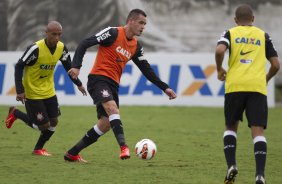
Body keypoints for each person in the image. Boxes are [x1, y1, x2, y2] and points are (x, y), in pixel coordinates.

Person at [64, 9, 177, 162]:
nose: (143, 27)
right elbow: (85, 43)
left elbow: (146, 69)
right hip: (98, 79)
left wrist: (165, 87)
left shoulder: (136, 47)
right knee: (112, 109)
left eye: (145, 24)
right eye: (141, 23)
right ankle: (124, 147)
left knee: (105, 124)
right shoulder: (112, 33)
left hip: (113, 85)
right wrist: (76, 66)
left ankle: (72, 153)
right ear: (130, 21)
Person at [215, 4, 280, 184]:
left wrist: (220, 68)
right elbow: (276, 65)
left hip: (235, 86)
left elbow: (220, 50)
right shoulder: (263, 35)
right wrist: (266, 78)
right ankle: (260, 174)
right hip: (257, 88)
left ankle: (232, 166)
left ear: (235, 20)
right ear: (253, 19)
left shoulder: (230, 32)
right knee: (258, 132)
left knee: (230, 128)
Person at [5, 21, 87, 156]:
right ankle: (16, 113)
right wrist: (20, 90)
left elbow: (69, 68)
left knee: (54, 121)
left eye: (59, 34)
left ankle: (38, 149)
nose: (56, 37)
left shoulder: (61, 48)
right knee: (43, 126)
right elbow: (19, 66)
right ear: (46, 33)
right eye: (54, 34)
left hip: (49, 91)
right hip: (32, 92)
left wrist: (78, 83)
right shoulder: (35, 49)